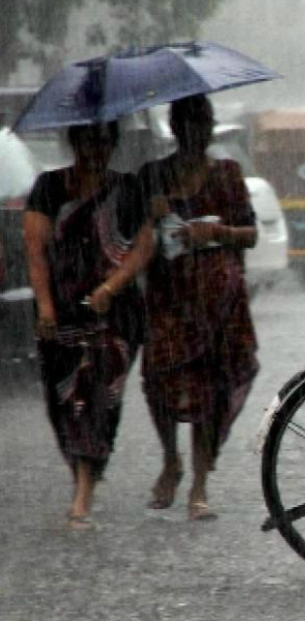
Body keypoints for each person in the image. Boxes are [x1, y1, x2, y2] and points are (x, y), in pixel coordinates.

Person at [23, 121, 154, 530]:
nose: (96, 149)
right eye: (87, 141)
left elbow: (143, 244)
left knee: (98, 396)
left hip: (114, 316)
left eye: (103, 141)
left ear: (113, 144)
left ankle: (83, 491)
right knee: (62, 402)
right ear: (73, 142)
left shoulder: (128, 189)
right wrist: (45, 305)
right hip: (61, 315)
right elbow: (36, 250)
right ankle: (83, 467)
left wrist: (111, 286)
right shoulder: (49, 188)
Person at [136, 94, 259, 521]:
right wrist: (152, 215)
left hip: (218, 303)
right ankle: (171, 460)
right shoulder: (153, 175)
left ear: (209, 128)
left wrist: (218, 231)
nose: (196, 132)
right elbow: (134, 238)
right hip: (168, 297)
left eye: (202, 122)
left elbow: (251, 234)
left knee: (210, 388)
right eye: (187, 123)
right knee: (159, 377)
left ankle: (200, 485)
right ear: (175, 127)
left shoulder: (227, 174)